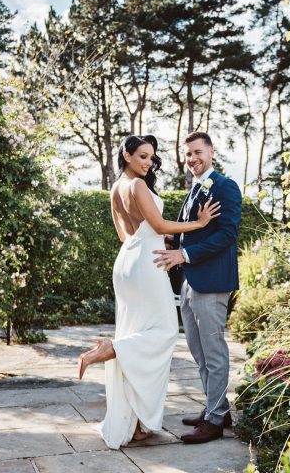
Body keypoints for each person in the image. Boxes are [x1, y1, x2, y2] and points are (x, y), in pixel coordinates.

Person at [76, 134, 221, 449]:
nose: (149, 162)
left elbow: (125, 234)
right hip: (147, 265)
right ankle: (110, 349)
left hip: (128, 260)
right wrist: (199, 224)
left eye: (151, 158)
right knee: (165, 332)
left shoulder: (116, 188)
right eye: (142, 156)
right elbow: (159, 225)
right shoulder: (138, 186)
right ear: (127, 155)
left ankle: (137, 425)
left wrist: (156, 241)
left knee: (138, 332)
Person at [153, 131, 242, 444]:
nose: (192, 158)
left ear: (211, 152)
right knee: (198, 350)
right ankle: (216, 408)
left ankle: (215, 422)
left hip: (213, 282)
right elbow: (194, 232)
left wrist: (183, 254)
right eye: (188, 154)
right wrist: (173, 242)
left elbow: (227, 234)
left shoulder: (225, 186)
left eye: (197, 152)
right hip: (190, 281)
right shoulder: (194, 189)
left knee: (214, 353)